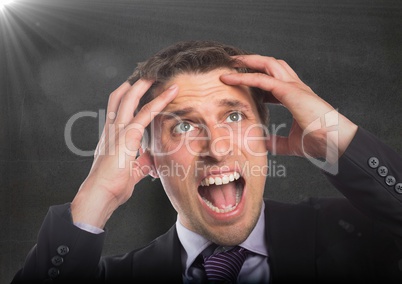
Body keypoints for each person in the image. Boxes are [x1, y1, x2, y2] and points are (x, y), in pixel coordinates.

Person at [12, 40, 402, 283]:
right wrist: (95, 197)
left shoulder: (360, 237)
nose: (216, 148)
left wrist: (339, 140)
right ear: (148, 155)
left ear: (263, 137)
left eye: (234, 117)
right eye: (182, 127)